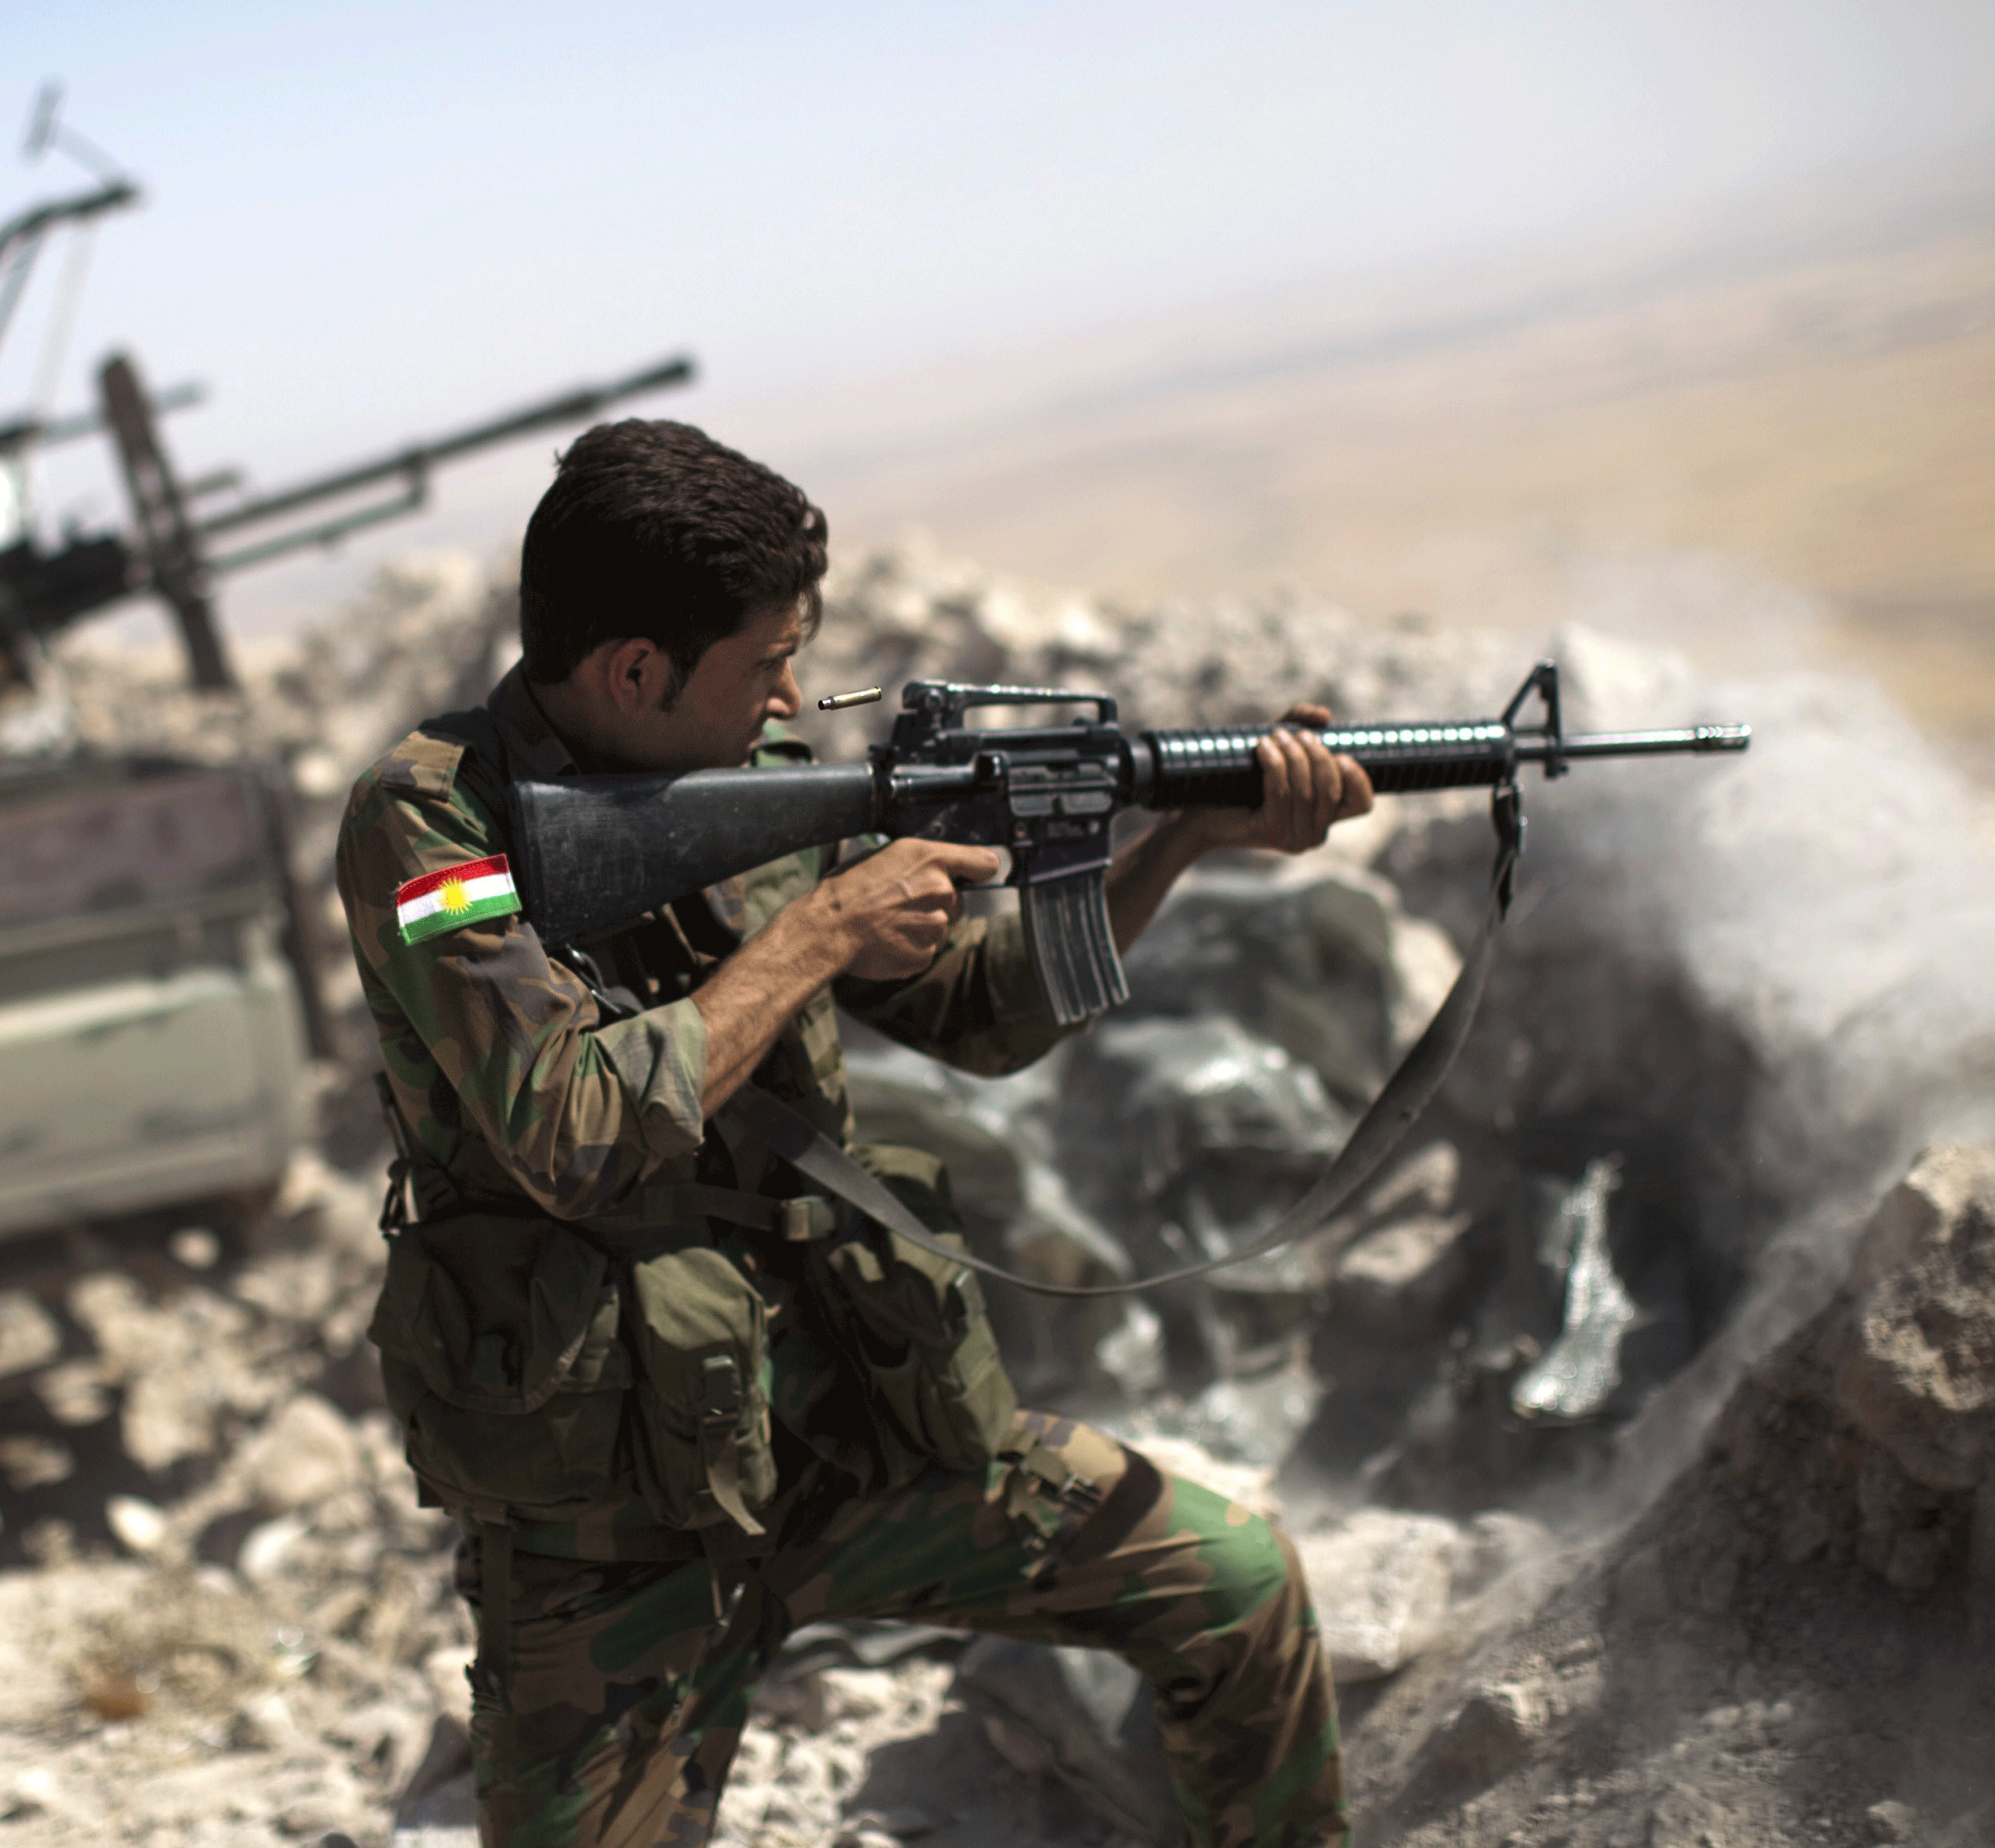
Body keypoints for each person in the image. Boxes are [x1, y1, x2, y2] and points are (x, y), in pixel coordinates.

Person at [335, 420, 1375, 1848]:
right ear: (633, 670)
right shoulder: (429, 822)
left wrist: (1177, 841)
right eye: (765, 662)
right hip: (615, 1513)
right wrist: (825, 927)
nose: (796, 694)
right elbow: (568, 1127)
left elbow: (982, 1022)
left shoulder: (756, 770)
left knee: (1234, 1581)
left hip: (855, 1426)